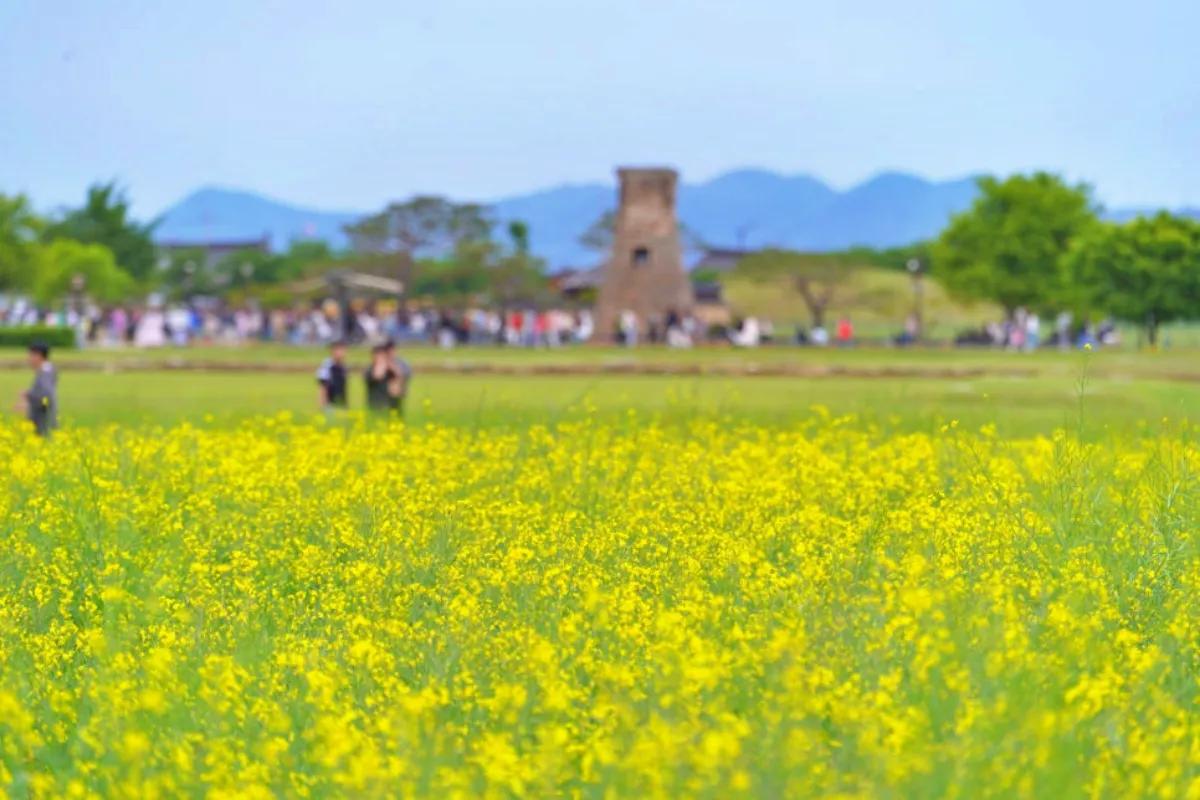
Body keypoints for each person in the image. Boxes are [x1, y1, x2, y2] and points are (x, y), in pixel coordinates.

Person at [19, 342, 57, 437]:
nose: (28, 359)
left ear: (38, 356)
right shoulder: (46, 370)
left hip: (43, 426)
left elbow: (46, 395)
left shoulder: (46, 373)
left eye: (30, 355)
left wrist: (28, 396)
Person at [315, 340, 349, 410]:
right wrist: (323, 407)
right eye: (340, 350)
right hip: (330, 407)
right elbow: (322, 388)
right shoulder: (326, 366)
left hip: (341, 405)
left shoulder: (343, 366)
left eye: (343, 350)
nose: (342, 353)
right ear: (333, 351)